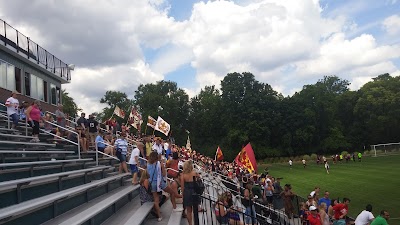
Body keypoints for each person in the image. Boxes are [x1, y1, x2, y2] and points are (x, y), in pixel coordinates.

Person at [181, 160, 199, 225]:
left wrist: (183, 195)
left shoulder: (183, 175)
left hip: (187, 193)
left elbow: (182, 187)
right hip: (194, 192)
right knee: (195, 210)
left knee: (189, 211)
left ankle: (190, 224)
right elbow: (198, 181)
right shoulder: (194, 173)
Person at [147, 152, 163, 221]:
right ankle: (159, 215)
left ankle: (157, 210)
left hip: (150, 182)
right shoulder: (157, 163)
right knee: (156, 200)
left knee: (156, 199)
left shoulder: (148, 164)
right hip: (157, 182)